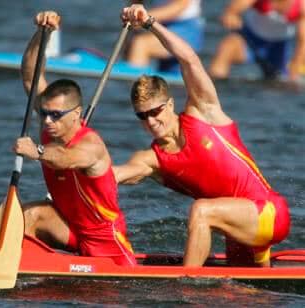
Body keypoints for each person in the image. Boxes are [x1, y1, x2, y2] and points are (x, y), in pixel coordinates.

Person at [115, 4, 290, 267]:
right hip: (236, 230)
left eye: (156, 111)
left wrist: (150, 23)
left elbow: (189, 59)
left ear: (170, 104)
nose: (151, 121)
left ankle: (185, 286)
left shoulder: (203, 112)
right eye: (142, 116)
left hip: (269, 213)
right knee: (248, 295)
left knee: (202, 210)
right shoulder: (151, 159)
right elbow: (111, 175)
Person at [13, 11, 136, 266]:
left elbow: (65, 159)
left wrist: (36, 151)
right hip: (70, 228)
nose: (47, 120)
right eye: (45, 113)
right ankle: (16, 269)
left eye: (56, 115)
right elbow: (29, 75)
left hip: (106, 243)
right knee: (25, 215)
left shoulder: (91, 146)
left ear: (76, 114)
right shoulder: (51, 126)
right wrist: (42, 34)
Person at [209, 0, 305, 81]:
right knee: (227, 47)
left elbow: (302, 41)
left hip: (278, 49)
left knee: (288, 83)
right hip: (250, 40)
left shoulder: (301, 6)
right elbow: (231, 12)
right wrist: (230, 16)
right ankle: (214, 85)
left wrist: (296, 63)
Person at [126, 0, 204, 73]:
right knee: (131, 44)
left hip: (186, 28)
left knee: (141, 44)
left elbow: (179, 6)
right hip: (162, 24)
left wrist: (142, 17)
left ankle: (135, 84)